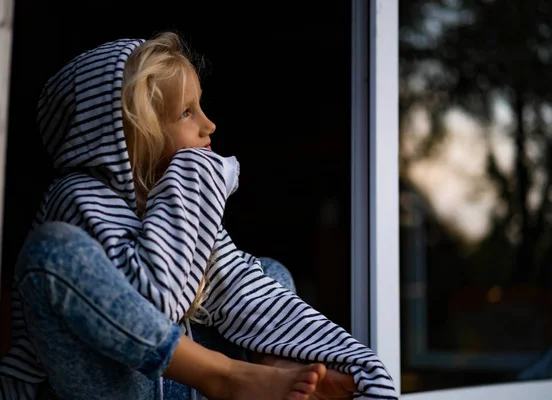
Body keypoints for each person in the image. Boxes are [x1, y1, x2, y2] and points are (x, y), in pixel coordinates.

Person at [0, 32, 397, 400]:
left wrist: (357, 365)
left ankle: (268, 366)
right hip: (123, 386)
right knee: (53, 250)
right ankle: (232, 376)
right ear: (126, 135)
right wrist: (193, 179)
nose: (209, 124)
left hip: (181, 385)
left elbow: (243, 291)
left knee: (267, 273)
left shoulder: (164, 199)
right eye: (187, 113)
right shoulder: (79, 196)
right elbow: (151, 310)